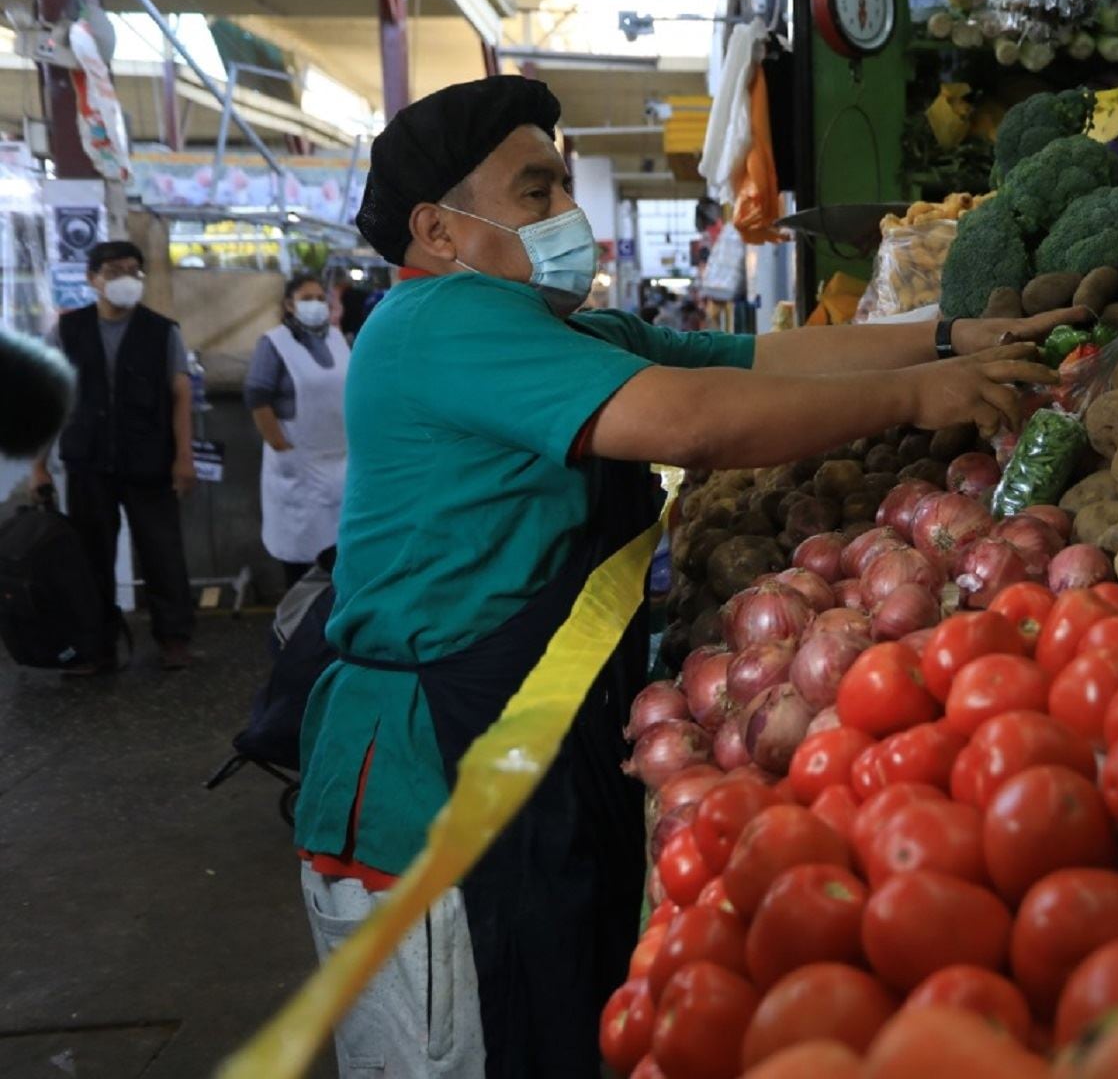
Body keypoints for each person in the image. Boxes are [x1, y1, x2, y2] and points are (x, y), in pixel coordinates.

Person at [293, 74, 1077, 1078]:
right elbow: (693, 422)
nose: (566, 216)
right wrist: (919, 392)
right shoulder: (435, 321)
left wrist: (944, 336)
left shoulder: (560, 330)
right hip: (438, 792)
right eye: (536, 194)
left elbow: (755, 362)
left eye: (563, 188)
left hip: (528, 746)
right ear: (436, 233)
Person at [30, 241, 197, 673]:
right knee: (90, 558)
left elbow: (181, 395)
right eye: (115, 270)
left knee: (162, 552)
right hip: (88, 462)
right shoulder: (66, 331)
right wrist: (38, 463)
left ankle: (173, 638)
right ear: (92, 278)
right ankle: (97, 645)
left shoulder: (162, 331)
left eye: (134, 271)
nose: (126, 278)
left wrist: (184, 456)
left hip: (149, 460)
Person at [246, 273, 350, 587]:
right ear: (289, 305)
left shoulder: (336, 338)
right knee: (304, 567)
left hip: (341, 463)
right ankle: (300, 632)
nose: (316, 305)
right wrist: (282, 447)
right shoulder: (274, 343)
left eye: (321, 298)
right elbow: (257, 398)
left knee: (343, 557)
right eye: (307, 299)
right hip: (299, 463)